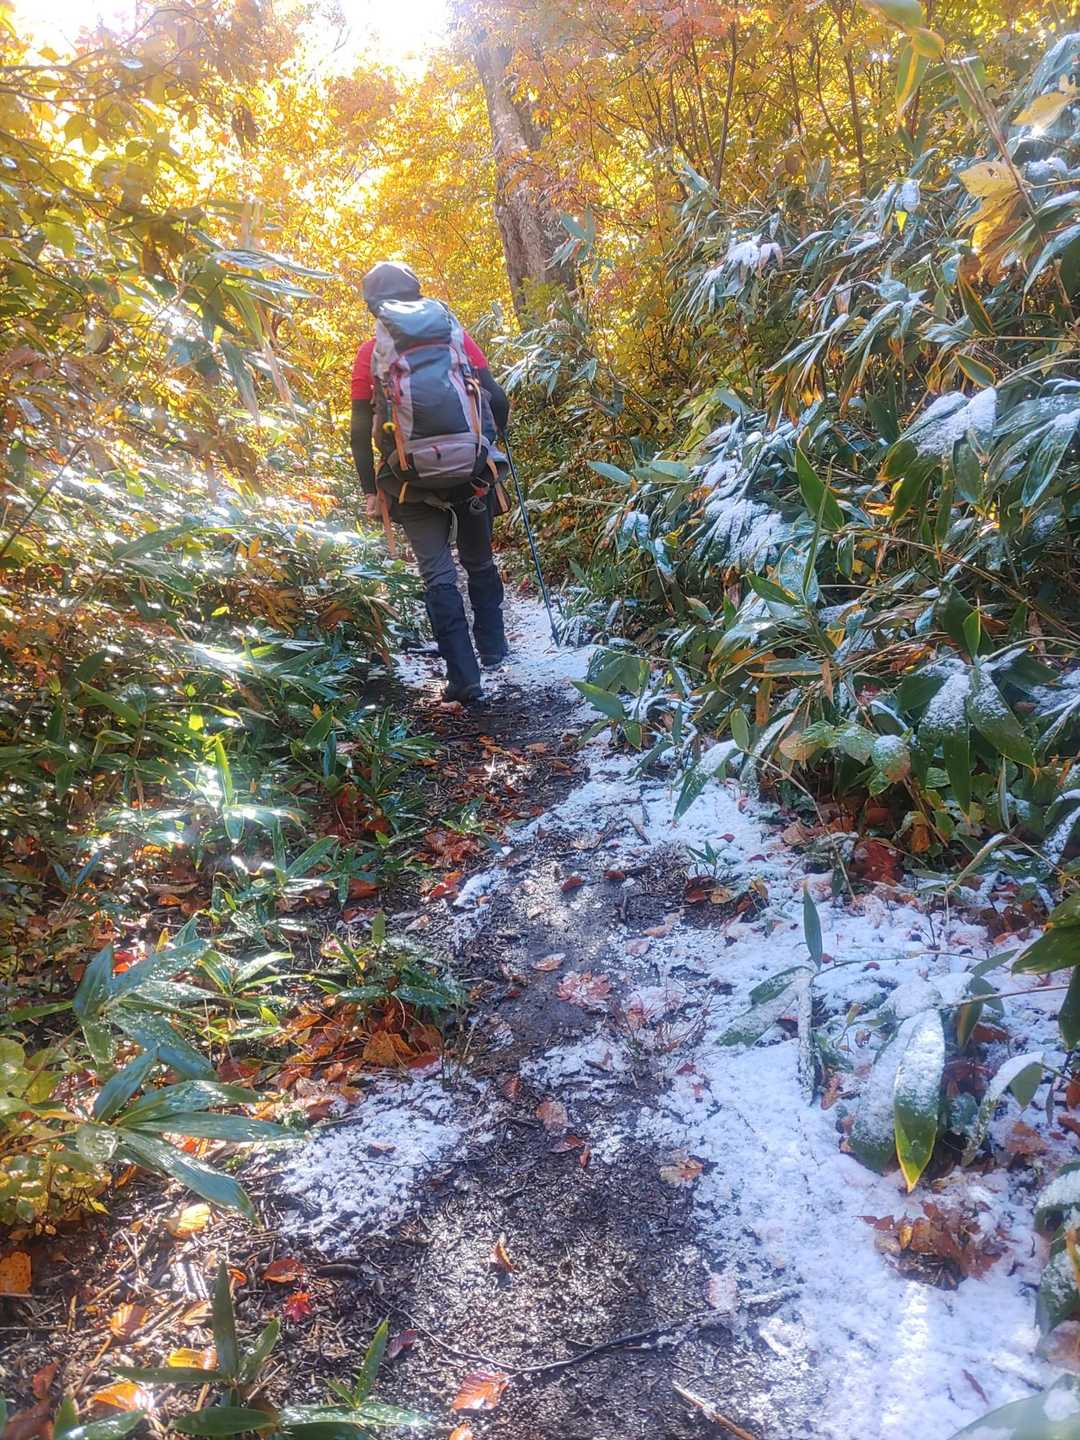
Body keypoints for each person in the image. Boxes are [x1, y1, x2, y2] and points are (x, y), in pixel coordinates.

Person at [349, 260, 510, 704]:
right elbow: (497, 398)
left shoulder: (371, 352)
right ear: (418, 295)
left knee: (437, 572)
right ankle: (494, 649)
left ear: (374, 306)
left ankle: (464, 677)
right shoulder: (456, 338)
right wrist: (490, 446)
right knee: (478, 560)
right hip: (471, 472)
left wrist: (370, 489)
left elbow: (359, 431)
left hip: (409, 480)